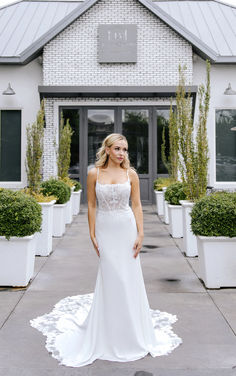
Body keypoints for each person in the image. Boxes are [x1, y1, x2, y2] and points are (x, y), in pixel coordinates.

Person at [30, 133, 182, 367]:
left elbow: (137, 205)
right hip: (105, 228)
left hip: (126, 228)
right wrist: (91, 232)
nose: (122, 153)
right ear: (108, 149)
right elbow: (91, 204)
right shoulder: (94, 173)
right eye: (118, 149)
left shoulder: (130, 174)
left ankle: (131, 332)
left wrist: (141, 233)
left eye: (125, 149)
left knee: (127, 277)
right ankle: (107, 330)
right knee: (111, 276)